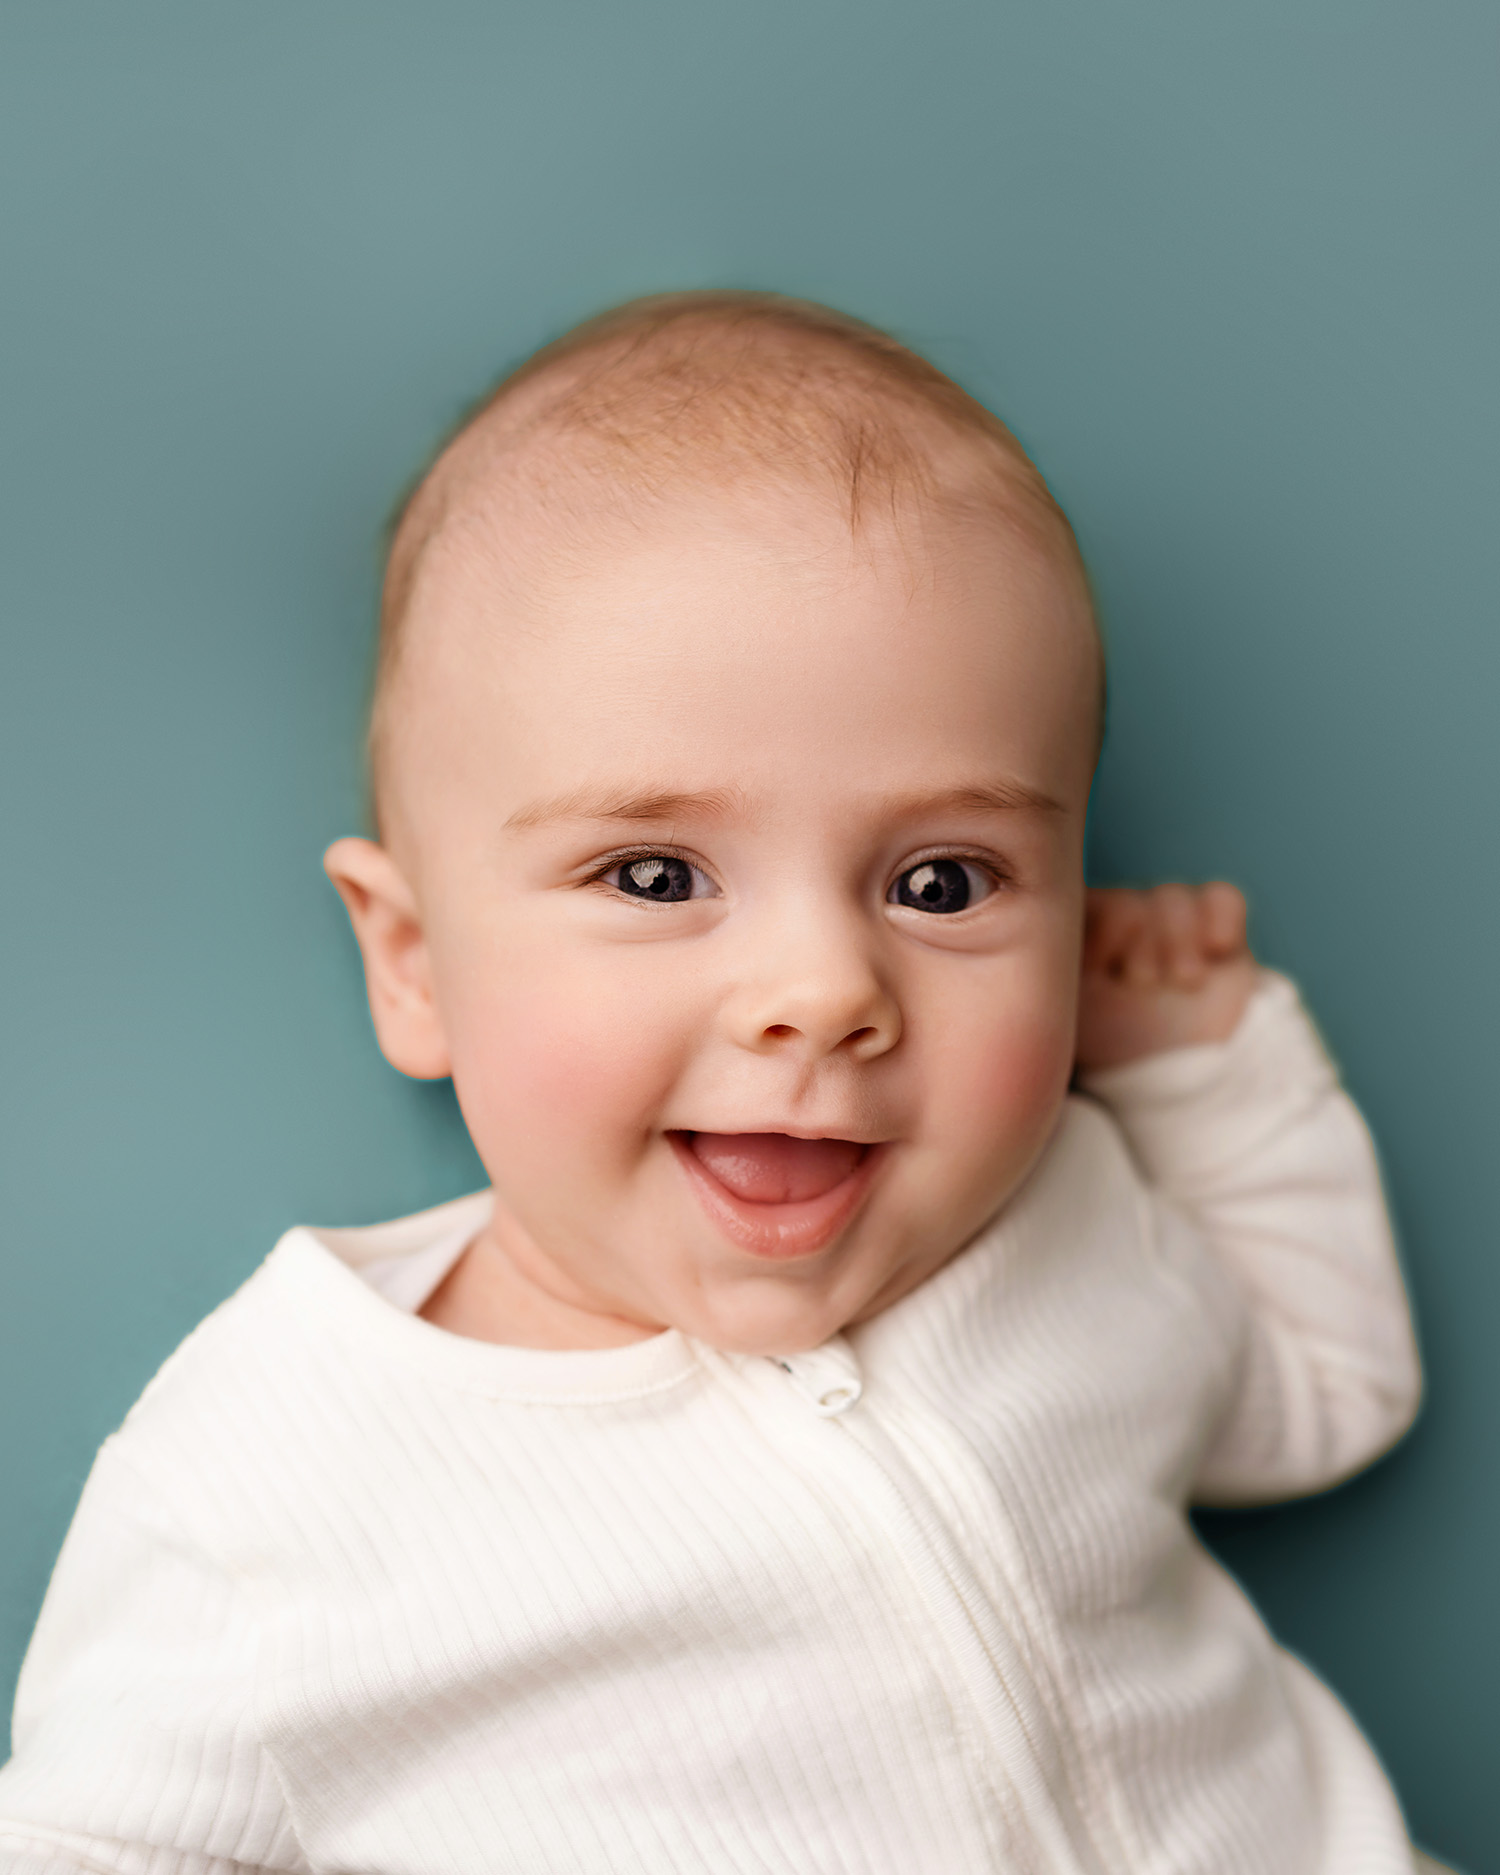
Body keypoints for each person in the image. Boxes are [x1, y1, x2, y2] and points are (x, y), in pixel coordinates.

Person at [0, 293, 1449, 1872]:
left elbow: (1330, 1391)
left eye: (944, 884)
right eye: (654, 874)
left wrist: (1207, 1067)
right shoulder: (273, 1477)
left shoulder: (1078, 1221)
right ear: (414, 961)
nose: (825, 992)